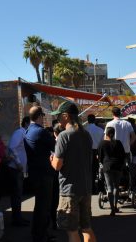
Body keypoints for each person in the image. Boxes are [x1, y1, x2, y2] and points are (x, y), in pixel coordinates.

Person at [50, 101, 96, 242]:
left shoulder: (64, 136)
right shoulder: (86, 135)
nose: (57, 119)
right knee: (86, 228)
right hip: (86, 187)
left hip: (69, 190)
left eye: (59, 116)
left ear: (66, 116)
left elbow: (57, 165)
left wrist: (51, 159)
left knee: (72, 231)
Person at [24, 105, 57, 242]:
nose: (44, 119)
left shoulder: (28, 131)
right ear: (39, 116)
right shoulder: (41, 132)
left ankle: (38, 233)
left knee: (40, 205)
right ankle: (40, 235)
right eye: (43, 116)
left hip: (34, 172)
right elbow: (56, 146)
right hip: (44, 174)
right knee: (44, 206)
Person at [7, 116, 30, 226]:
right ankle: (17, 219)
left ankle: (18, 217)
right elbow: (12, 147)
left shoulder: (23, 133)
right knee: (16, 194)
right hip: (16, 168)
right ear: (26, 123)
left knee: (18, 194)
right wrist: (18, 163)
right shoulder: (19, 132)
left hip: (19, 169)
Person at [98, 127, 127, 216]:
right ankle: (115, 205)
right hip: (118, 165)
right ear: (114, 134)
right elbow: (123, 155)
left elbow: (100, 156)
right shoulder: (118, 143)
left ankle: (112, 208)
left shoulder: (102, 143)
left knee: (109, 187)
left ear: (106, 133)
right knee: (116, 186)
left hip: (107, 166)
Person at [84, 114, 104, 194]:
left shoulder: (84, 129)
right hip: (98, 151)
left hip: (87, 152)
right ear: (94, 120)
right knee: (98, 170)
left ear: (88, 120)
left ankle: (90, 188)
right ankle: (100, 188)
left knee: (89, 171)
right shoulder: (100, 130)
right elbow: (102, 142)